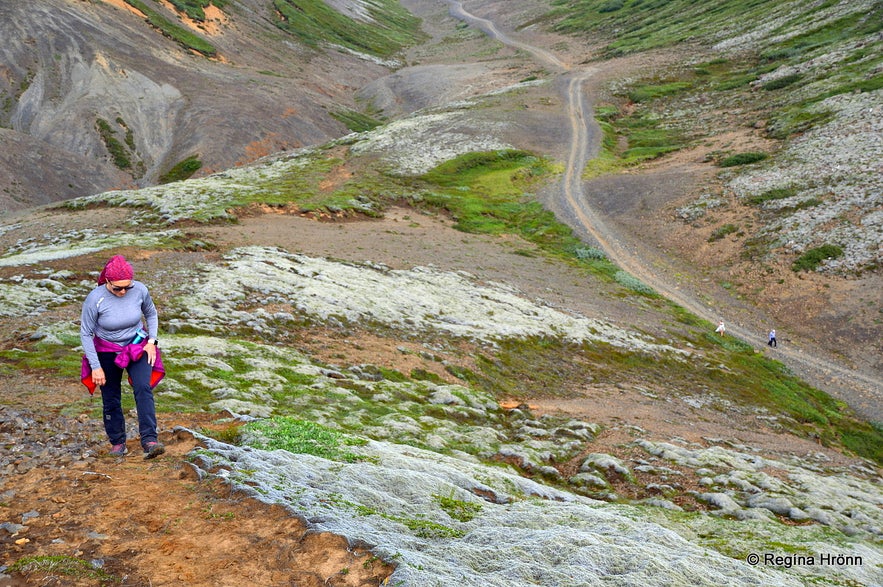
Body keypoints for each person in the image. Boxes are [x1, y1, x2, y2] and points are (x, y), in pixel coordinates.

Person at [80, 255, 165, 459]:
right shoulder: (95, 298)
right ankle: (118, 443)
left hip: (137, 346)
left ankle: (150, 440)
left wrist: (152, 342)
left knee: (143, 388)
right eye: (117, 288)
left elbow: (151, 314)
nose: (123, 292)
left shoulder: (140, 290)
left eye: (127, 287)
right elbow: (85, 333)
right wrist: (96, 366)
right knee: (110, 397)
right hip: (105, 351)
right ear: (107, 281)